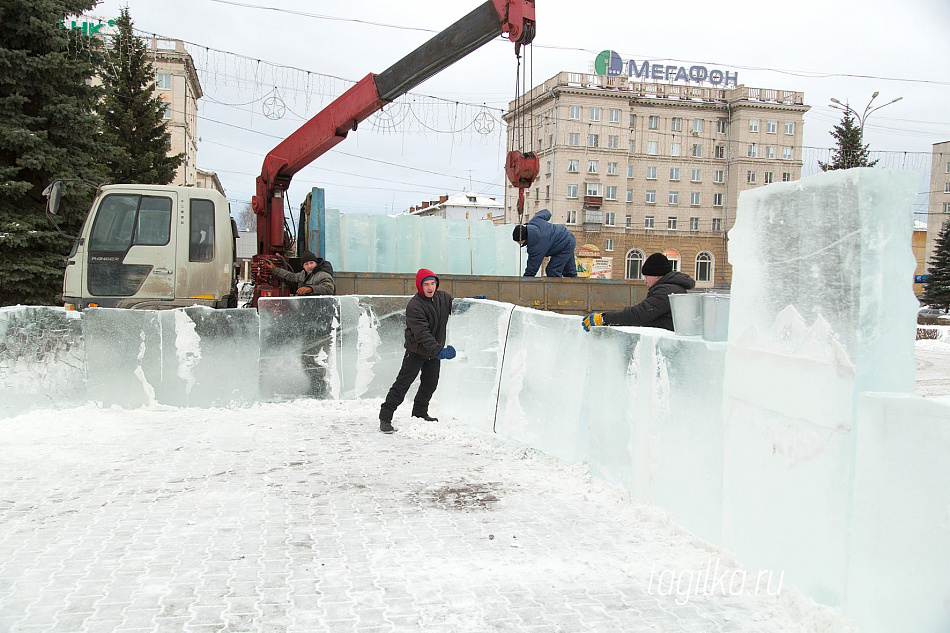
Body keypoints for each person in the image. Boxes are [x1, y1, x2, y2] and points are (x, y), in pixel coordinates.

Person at [378, 268, 456, 434]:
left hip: (433, 353)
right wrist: (439, 351)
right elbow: (422, 333)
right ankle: (385, 417)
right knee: (402, 384)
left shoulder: (443, 298)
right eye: (426, 284)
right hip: (416, 351)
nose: (430, 287)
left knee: (430, 384)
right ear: (420, 286)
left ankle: (420, 413)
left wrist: (470, 304)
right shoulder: (415, 305)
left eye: (432, 283)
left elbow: (455, 307)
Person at [582, 252, 695, 331]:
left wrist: (603, 318)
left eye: (646, 276)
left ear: (656, 275)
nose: (645, 281)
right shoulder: (671, 288)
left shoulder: (667, 292)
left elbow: (638, 315)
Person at [512, 209, 578, 278]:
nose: (518, 243)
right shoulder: (535, 220)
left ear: (524, 238)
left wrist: (525, 281)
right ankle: (578, 287)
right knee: (570, 272)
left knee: (552, 270)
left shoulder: (536, 245)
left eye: (518, 241)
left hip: (565, 245)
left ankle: (555, 289)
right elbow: (547, 213)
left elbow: (533, 266)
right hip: (567, 237)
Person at [263, 251, 335, 296]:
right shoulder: (303, 275)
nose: (309, 266)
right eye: (306, 264)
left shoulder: (323, 275)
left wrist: (311, 289)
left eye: (311, 263)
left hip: (322, 310)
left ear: (316, 263)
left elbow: (329, 289)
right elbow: (290, 277)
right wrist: (274, 269)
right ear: (303, 266)